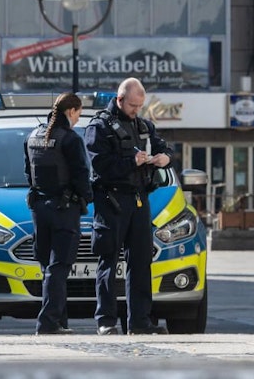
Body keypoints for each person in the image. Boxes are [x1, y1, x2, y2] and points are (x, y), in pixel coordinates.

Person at [84, 78, 172, 335]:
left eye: (140, 105)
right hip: (111, 200)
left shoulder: (143, 125)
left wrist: (165, 158)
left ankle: (140, 322)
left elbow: (164, 147)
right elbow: (100, 165)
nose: (136, 110)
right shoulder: (99, 127)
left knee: (141, 261)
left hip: (139, 199)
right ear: (120, 99)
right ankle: (106, 321)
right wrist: (132, 162)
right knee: (108, 260)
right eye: (133, 105)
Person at [23, 92, 92, 335]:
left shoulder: (33, 136)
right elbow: (81, 174)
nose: (78, 118)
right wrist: (86, 198)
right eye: (79, 113)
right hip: (64, 210)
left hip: (39, 209)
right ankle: (48, 322)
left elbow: (28, 173)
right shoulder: (70, 139)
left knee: (48, 267)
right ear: (71, 111)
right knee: (59, 266)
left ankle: (59, 321)